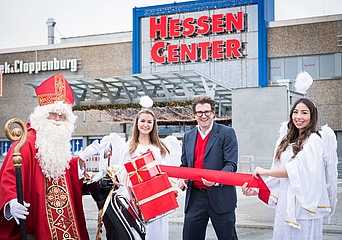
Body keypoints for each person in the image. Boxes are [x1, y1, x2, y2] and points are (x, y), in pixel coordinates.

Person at [0, 73, 93, 240]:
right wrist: (11, 202)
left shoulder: (60, 143)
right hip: (35, 225)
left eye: (62, 115)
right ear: (42, 115)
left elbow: (62, 173)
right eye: (53, 114)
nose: (57, 119)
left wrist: (79, 161)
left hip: (64, 223)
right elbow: (9, 176)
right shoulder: (26, 142)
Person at [242, 98, 336, 239]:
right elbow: (276, 174)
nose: (299, 117)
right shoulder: (284, 141)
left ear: (312, 116)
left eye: (304, 113)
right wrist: (257, 189)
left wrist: (265, 171)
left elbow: (296, 170)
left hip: (303, 203)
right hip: (285, 202)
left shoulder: (314, 141)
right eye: (295, 112)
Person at [178, 95, 239, 240]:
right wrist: (182, 177)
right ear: (194, 115)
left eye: (207, 112)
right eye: (199, 112)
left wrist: (216, 179)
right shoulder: (188, 136)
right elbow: (185, 165)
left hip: (221, 196)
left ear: (213, 113)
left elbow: (231, 165)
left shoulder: (227, 133)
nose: (203, 116)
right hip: (195, 198)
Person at [117, 107, 178, 240]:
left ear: (154, 124)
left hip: (157, 195)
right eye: (143, 121)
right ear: (137, 123)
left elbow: (166, 170)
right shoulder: (129, 147)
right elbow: (122, 172)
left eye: (149, 122)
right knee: (137, 231)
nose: (146, 125)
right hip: (136, 197)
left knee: (157, 231)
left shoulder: (160, 147)